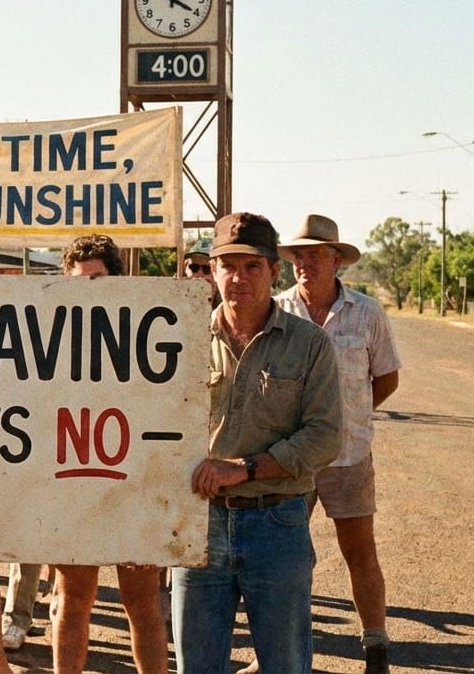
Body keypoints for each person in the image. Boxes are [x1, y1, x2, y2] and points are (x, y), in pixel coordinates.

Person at [172, 212, 343, 674]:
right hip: (196, 526)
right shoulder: (179, 339)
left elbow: (325, 436)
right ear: (211, 270)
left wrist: (243, 468)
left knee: (285, 664)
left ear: (273, 271)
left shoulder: (309, 344)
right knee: (197, 666)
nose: (238, 278)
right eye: (227, 265)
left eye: (251, 266)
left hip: (277, 523)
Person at [274, 214, 400, 674]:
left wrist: (350, 415)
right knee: (286, 559)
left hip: (349, 454)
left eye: (316, 254)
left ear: (336, 260)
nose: (305, 263)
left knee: (360, 550)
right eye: (298, 255)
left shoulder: (366, 312)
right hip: (289, 457)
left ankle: (376, 647)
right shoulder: (278, 310)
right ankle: (283, 653)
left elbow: (384, 378)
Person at [50, 235, 167, 674]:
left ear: (118, 279)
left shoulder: (148, 332)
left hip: (133, 481)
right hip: (73, 480)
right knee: (73, 599)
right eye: (80, 280)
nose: (90, 289)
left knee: (142, 603)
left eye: (99, 279)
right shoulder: (51, 336)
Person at [183, 238, 220, 309]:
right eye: (194, 267)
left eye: (207, 269)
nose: (199, 274)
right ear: (186, 269)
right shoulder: (174, 293)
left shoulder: (227, 300)